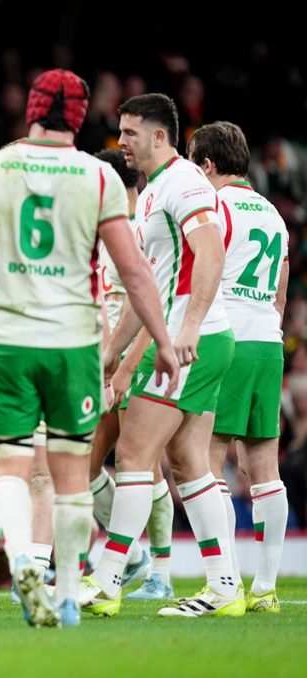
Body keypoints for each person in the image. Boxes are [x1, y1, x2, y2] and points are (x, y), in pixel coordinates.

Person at [0, 71, 178, 627]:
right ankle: (69, 591)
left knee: (4, 461)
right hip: (74, 342)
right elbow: (134, 271)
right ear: (78, 117)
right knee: (72, 473)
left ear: (30, 111)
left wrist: (6, 263)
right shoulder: (98, 177)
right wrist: (163, 342)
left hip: (7, 339)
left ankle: (24, 558)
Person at [84, 94, 241, 619]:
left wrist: (189, 327)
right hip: (188, 338)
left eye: (129, 133)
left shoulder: (185, 183)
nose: (121, 142)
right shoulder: (153, 193)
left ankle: (107, 581)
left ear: (158, 136)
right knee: (188, 463)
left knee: (132, 455)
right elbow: (144, 289)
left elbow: (212, 250)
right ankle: (224, 587)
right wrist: (112, 354)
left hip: (188, 342)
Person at [191, 121, 289, 613]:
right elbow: (280, 292)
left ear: (206, 164)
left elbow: (201, 271)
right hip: (268, 343)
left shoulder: (214, 205)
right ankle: (265, 589)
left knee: (203, 459)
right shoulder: (273, 213)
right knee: (263, 468)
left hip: (226, 338)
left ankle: (222, 584)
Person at [89, 149, 175, 601]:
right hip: (104, 361)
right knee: (85, 465)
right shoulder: (101, 229)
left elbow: (150, 306)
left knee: (144, 465)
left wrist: (124, 364)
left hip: (137, 360)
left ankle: (160, 570)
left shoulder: (143, 227)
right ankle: (136, 555)